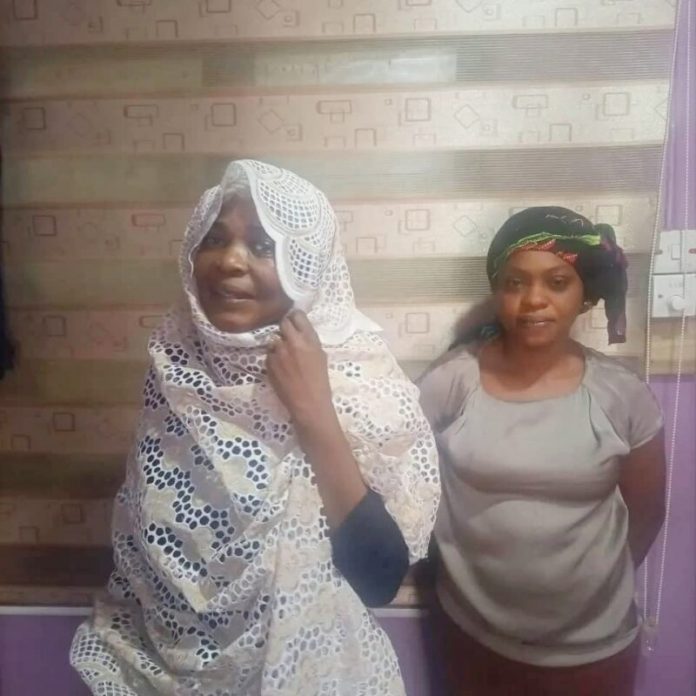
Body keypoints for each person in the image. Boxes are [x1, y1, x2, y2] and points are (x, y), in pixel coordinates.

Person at [70, 160, 440, 695]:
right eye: (214, 239)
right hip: (159, 667)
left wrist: (315, 412)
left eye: (264, 246)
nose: (229, 261)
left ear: (307, 266)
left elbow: (378, 579)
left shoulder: (357, 378)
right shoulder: (175, 368)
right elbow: (149, 546)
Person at [418, 207, 666, 696]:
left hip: (593, 652)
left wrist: (585, 594)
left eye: (557, 282)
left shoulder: (622, 395)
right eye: (515, 283)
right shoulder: (449, 384)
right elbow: (411, 493)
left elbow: (648, 513)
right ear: (497, 290)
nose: (533, 299)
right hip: (472, 639)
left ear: (584, 295)